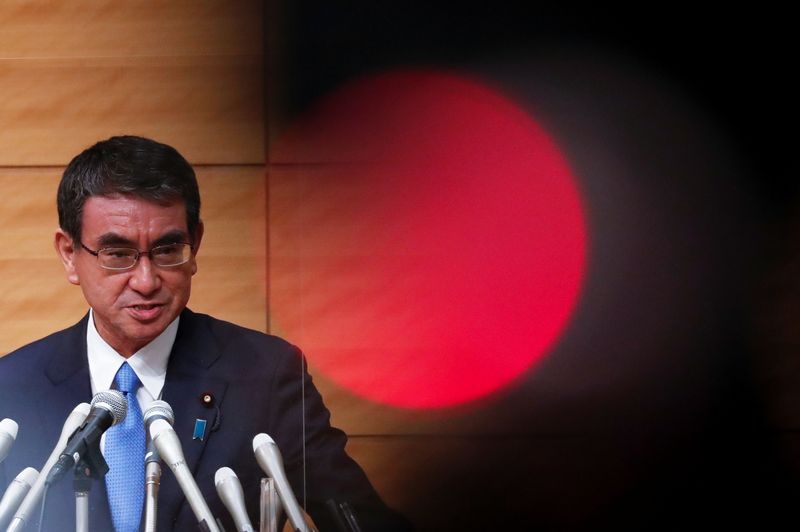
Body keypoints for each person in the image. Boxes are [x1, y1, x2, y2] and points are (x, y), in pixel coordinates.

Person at [0, 136, 410, 531]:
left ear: (194, 245)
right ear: (69, 255)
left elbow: (358, 518)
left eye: (166, 249)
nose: (146, 280)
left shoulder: (265, 375)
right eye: (118, 254)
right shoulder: (13, 387)